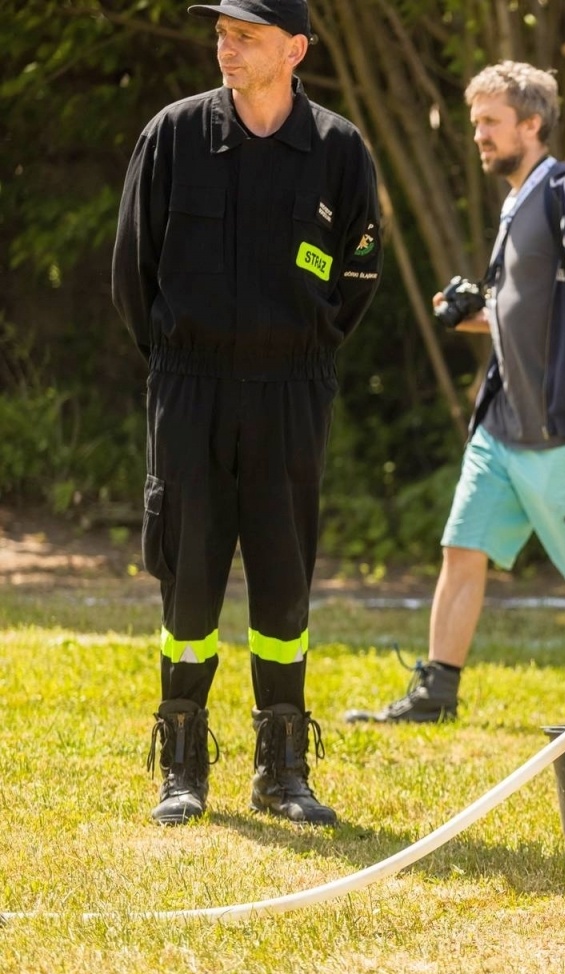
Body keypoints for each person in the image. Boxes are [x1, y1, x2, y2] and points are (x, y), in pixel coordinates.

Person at [346, 63, 565, 726]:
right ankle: (437, 690)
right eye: (476, 121)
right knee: (464, 548)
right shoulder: (517, 200)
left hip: (562, 434)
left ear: (532, 124)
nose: (478, 135)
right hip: (502, 428)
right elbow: (535, 311)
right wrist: (475, 315)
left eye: (491, 121)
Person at [111, 0, 382, 826]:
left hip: (291, 391)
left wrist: (298, 352)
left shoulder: (337, 150)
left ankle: (283, 767)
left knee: (283, 578)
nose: (224, 48)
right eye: (222, 34)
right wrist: (179, 364)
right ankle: (183, 764)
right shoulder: (175, 134)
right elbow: (134, 270)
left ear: (294, 50)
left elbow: (359, 273)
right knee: (186, 577)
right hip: (190, 387)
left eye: (246, 37)